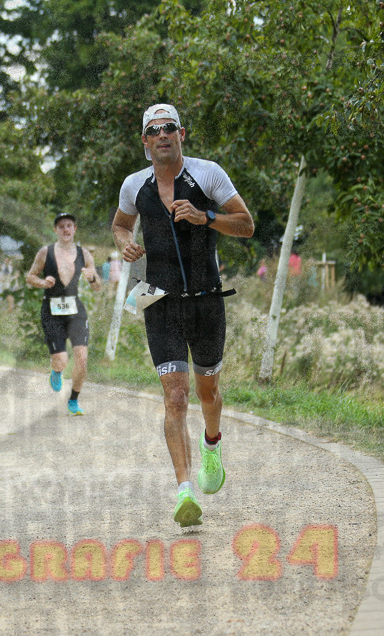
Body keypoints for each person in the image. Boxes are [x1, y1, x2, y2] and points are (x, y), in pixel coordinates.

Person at [110, 103, 254, 528]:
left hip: (208, 300)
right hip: (160, 302)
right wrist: (124, 244)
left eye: (169, 128)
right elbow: (120, 225)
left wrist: (206, 216)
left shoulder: (208, 174)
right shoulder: (135, 185)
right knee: (175, 396)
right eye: (154, 130)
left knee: (208, 393)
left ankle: (212, 443)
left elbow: (245, 224)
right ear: (145, 141)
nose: (162, 136)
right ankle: (184, 489)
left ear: (182, 134)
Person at [25, 212, 102, 415]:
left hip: (75, 310)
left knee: (82, 359)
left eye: (69, 225)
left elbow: (97, 287)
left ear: (75, 229)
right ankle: (57, 370)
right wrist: (43, 282)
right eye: (61, 227)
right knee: (62, 360)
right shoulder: (45, 252)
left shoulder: (84, 254)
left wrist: (92, 278)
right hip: (51, 310)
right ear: (55, 230)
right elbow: (30, 276)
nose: (66, 230)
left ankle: (74, 400)